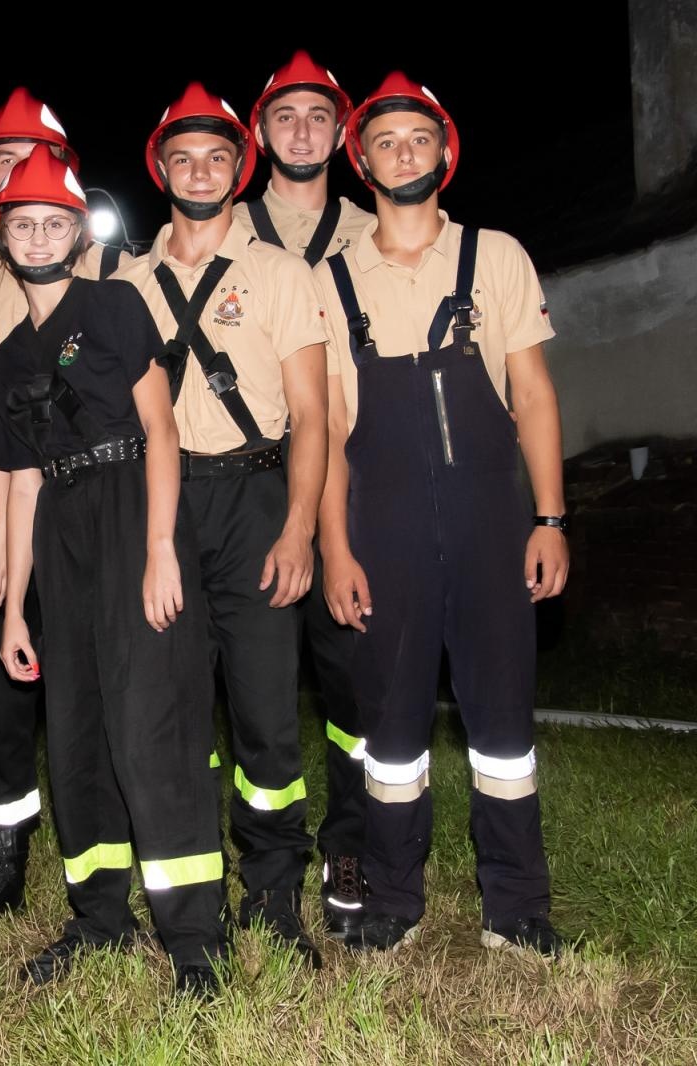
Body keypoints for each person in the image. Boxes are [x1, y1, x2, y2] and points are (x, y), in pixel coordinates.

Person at [313, 73, 567, 956]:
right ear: (363, 162)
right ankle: (390, 898)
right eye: (386, 141)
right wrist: (335, 550)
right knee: (390, 724)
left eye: (420, 137)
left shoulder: (497, 257)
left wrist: (551, 519)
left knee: (502, 721)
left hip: (493, 520)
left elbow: (532, 396)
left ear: (445, 154)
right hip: (382, 528)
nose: (404, 152)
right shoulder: (328, 281)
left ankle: (517, 905)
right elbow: (331, 434)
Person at [0, 145, 227, 997]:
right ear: (2, 236)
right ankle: (99, 919)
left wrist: (162, 550)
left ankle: (196, 937)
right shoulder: (12, 352)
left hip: (132, 506)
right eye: (24, 223)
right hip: (59, 527)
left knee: (149, 723)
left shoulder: (117, 305)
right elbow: (17, 484)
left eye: (56, 221)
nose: (41, 235)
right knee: (79, 729)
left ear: (77, 235)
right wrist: (16, 610)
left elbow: (161, 430)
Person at [113, 82, 331, 966]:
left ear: (239, 170)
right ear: (159, 171)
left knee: (267, 711)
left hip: (255, 504)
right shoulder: (123, 285)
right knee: (169, 711)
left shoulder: (282, 274)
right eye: (181, 158)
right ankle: (191, 897)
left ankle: (276, 889)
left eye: (215, 157)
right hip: (159, 508)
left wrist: (300, 528)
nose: (198, 171)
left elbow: (315, 416)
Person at [0, 87, 135, 926]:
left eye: (33, 161)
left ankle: (132, 854)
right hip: (5, 497)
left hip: (99, 502)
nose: (19, 176)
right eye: (2, 162)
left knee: (112, 678)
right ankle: (4, 862)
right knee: (4, 693)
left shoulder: (115, 271)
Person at [235, 50, 375, 943]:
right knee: (251, 682)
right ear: (260, 132)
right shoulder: (221, 222)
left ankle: (350, 839)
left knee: (352, 677)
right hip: (248, 484)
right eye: (284, 116)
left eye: (316, 116)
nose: (300, 131)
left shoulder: (377, 229)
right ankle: (260, 852)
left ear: (341, 133)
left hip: (358, 481)